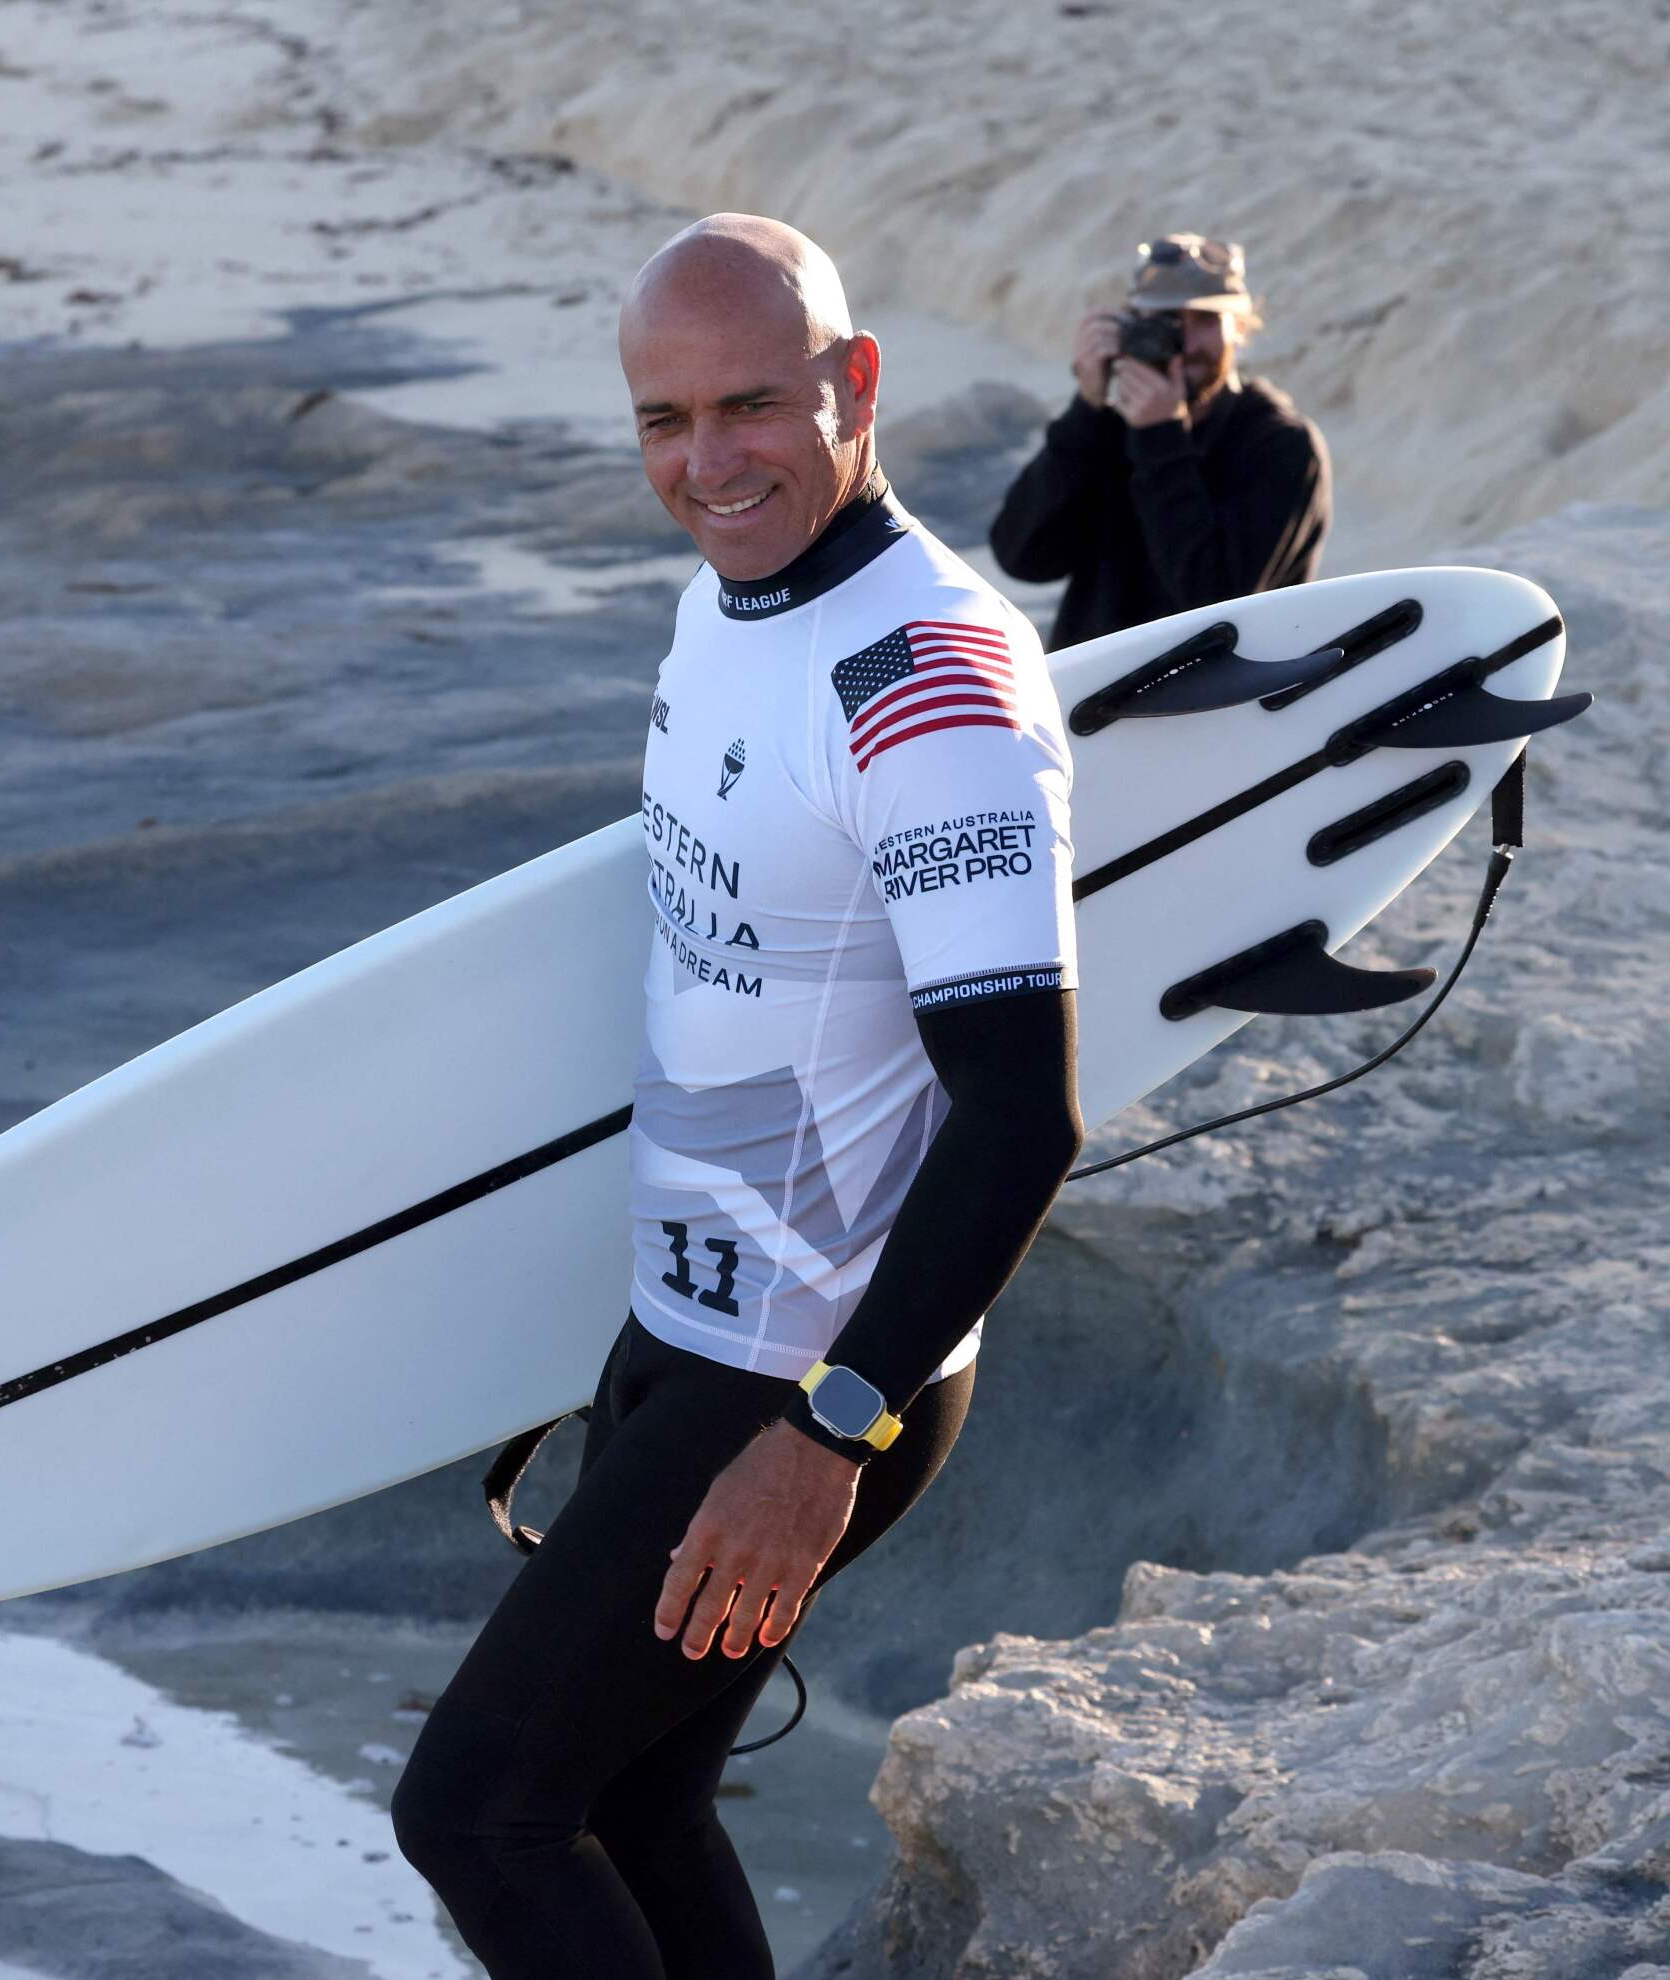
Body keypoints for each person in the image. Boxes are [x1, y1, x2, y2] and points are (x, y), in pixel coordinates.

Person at [391, 214, 1085, 1979]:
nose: (707, 464)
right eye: (662, 420)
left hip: (809, 1368)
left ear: (857, 387)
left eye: (753, 407)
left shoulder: (928, 690)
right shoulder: (731, 603)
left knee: (478, 1810)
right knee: (628, 1800)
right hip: (693, 1326)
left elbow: (1021, 1119)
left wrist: (820, 1434)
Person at [989, 233, 1330, 650]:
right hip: (1094, 695)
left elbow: (1218, 610)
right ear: (1129, 327)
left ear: (1239, 329)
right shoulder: (1110, 428)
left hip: (1222, 703)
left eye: (1204, 320)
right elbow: (1022, 557)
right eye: (1166, 322)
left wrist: (1160, 440)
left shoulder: (1280, 444)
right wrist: (1086, 410)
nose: (1184, 345)